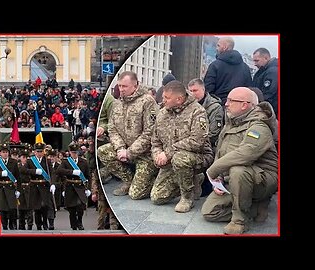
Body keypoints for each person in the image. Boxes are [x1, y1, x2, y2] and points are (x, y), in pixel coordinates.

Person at [201, 87, 278, 234]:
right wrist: (219, 179)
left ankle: (239, 220)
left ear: (244, 104)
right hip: (235, 179)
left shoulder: (259, 126)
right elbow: (222, 152)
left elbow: (245, 153)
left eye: (231, 100)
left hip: (261, 179)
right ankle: (255, 208)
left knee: (239, 170)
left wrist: (214, 169)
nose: (226, 104)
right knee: (209, 211)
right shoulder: (232, 122)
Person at [150, 80, 214, 212]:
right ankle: (193, 179)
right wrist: (157, 155)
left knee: (180, 159)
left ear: (179, 99)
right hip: (170, 160)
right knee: (157, 197)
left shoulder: (197, 111)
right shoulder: (162, 113)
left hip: (198, 156)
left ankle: (187, 197)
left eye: (167, 98)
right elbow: (155, 142)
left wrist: (168, 153)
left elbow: (197, 141)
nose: (164, 100)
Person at [97, 71, 159, 199]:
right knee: (103, 151)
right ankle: (128, 180)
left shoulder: (147, 102)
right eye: (119, 86)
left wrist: (130, 152)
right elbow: (112, 128)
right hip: (124, 149)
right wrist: (120, 148)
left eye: (124, 86)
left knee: (136, 194)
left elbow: (150, 132)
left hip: (145, 154)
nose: (121, 89)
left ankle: (156, 182)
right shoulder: (117, 103)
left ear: (135, 85)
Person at [187, 78, 224, 198]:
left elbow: (214, 133)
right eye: (190, 91)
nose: (193, 93)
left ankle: (205, 186)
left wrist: (195, 140)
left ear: (203, 89)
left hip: (209, 145)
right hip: (191, 142)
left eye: (195, 90)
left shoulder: (214, 107)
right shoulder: (189, 106)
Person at [203, 37, 253, 105]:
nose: (216, 48)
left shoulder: (215, 65)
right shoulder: (246, 68)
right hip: (239, 107)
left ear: (225, 47)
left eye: (218, 45)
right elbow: (248, 89)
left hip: (219, 106)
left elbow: (208, 89)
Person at [0, 143, 21, 230]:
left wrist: (18, 190)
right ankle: (4, 225)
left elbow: (18, 176)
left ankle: (12, 224)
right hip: (0, 187)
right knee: (2, 209)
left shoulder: (14, 162)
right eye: (3, 152)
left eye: (6, 152)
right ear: (0, 153)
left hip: (11, 187)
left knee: (12, 208)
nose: (5, 154)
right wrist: (0, 174)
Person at [56, 143, 91, 230]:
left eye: (75, 152)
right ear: (70, 153)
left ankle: (80, 222)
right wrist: (72, 172)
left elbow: (88, 176)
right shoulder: (66, 162)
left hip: (80, 186)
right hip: (70, 186)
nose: (74, 154)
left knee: (80, 206)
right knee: (71, 209)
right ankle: (73, 224)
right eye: (72, 152)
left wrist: (89, 189)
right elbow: (59, 170)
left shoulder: (84, 162)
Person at [25, 142, 56, 230]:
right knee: (36, 207)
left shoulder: (47, 161)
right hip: (34, 186)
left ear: (43, 152)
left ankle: (46, 223)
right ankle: (39, 224)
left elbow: (52, 172)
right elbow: (23, 170)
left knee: (45, 206)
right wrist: (34, 171)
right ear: (34, 152)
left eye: (41, 151)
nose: (39, 153)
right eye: (37, 151)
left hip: (44, 186)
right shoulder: (30, 161)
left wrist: (53, 184)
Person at [252, 48, 278, 115]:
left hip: (269, 109)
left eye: (257, 61)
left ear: (266, 58)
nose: (255, 64)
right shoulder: (264, 70)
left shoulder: (272, 72)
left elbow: (268, 94)